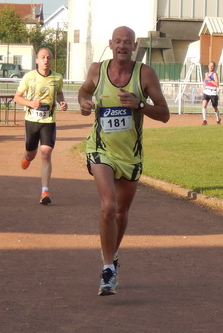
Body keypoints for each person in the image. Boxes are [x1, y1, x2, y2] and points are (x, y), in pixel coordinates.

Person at [78, 26, 170, 296]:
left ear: (134, 46)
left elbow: (164, 114)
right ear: (110, 44)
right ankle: (108, 269)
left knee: (121, 212)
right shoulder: (97, 70)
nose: (122, 45)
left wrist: (139, 105)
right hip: (100, 149)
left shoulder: (145, 74)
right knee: (108, 204)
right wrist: (84, 103)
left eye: (127, 42)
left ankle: (113, 254)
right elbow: (84, 92)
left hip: (130, 155)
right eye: (117, 41)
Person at [14, 48, 68, 205]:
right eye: (43, 57)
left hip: (48, 121)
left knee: (46, 153)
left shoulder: (57, 77)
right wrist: (31, 103)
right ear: (37, 60)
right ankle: (26, 157)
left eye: (49, 58)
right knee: (31, 154)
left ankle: (45, 191)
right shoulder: (29, 77)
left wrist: (61, 102)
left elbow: (59, 93)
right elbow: (17, 97)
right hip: (32, 121)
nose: (46, 60)